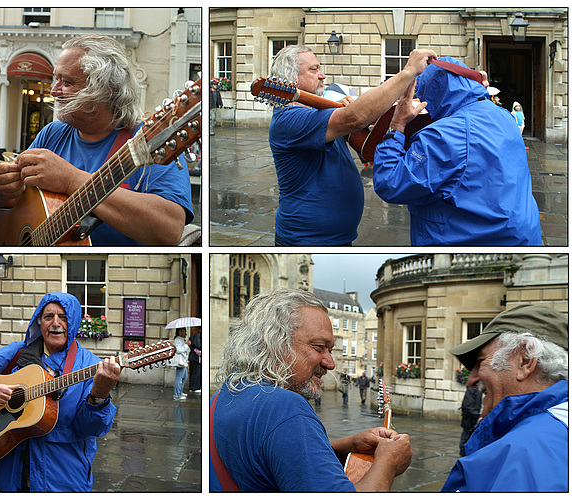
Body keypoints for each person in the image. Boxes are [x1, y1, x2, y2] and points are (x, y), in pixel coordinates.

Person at [0, 34, 194, 246]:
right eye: (56, 78)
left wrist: (71, 180)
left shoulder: (153, 141)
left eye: (67, 82)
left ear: (107, 90)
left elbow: (170, 230)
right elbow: (0, 203)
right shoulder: (52, 133)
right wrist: (4, 188)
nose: (54, 91)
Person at [211, 288, 412, 492]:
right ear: (274, 343)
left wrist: (346, 445)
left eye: (331, 350)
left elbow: (272, 458)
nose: (331, 363)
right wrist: (388, 461)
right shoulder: (285, 408)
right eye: (318, 347)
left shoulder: (223, 395)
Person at [267, 45, 436, 245]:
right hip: (306, 240)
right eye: (313, 70)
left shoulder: (319, 112)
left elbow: (368, 150)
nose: (322, 75)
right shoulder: (289, 120)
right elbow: (356, 118)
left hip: (336, 238)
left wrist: (387, 124)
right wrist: (408, 72)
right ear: (291, 77)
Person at [0, 293, 121, 492]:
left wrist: (99, 395)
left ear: (73, 323)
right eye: (48, 317)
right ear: (39, 322)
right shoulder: (18, 352)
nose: (56, 323)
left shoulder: (90, 365)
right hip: (12, 475)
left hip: (63, 479)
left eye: (63, 317)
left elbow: (91, 428)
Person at [372, 56, 542, 245]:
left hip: (470, 242)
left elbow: (390, 184)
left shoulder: (443, 135)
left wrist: (396, 126)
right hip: (522, 236)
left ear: (430, 95)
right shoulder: (503, 115)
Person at [442, 304, 568, 492]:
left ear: (525, 360)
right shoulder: (556, 428)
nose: (472, 380)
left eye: (481, 361)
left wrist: (382, 479)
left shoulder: (524, 452)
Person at [457, 385, 482, 457]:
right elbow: (468, 406)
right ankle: (462, 456)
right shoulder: (472, 389)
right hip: (470, 420)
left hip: (480, 420)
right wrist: (479, 416)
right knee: (466, 437)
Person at [171, 328, 190, 400]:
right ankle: (176, 395)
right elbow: (178, 350)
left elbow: (186, 352)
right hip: (180, 362)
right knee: (179, 379)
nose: (182, 333)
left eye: (183, 331)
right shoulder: (177, 340)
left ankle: (180, 392)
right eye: (180, 331)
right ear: (177, 332)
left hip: (183, 362)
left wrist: (187, 363)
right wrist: (186, 345)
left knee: (184, 377)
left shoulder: (182, 340)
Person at [188, 327, 203, 394]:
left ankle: (197, 386)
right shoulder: (197, 336)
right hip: (197, 357)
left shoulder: (198, 335)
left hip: (198, 357)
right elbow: (198, 345)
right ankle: (194, 387)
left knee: (198, 372)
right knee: (196, 372)